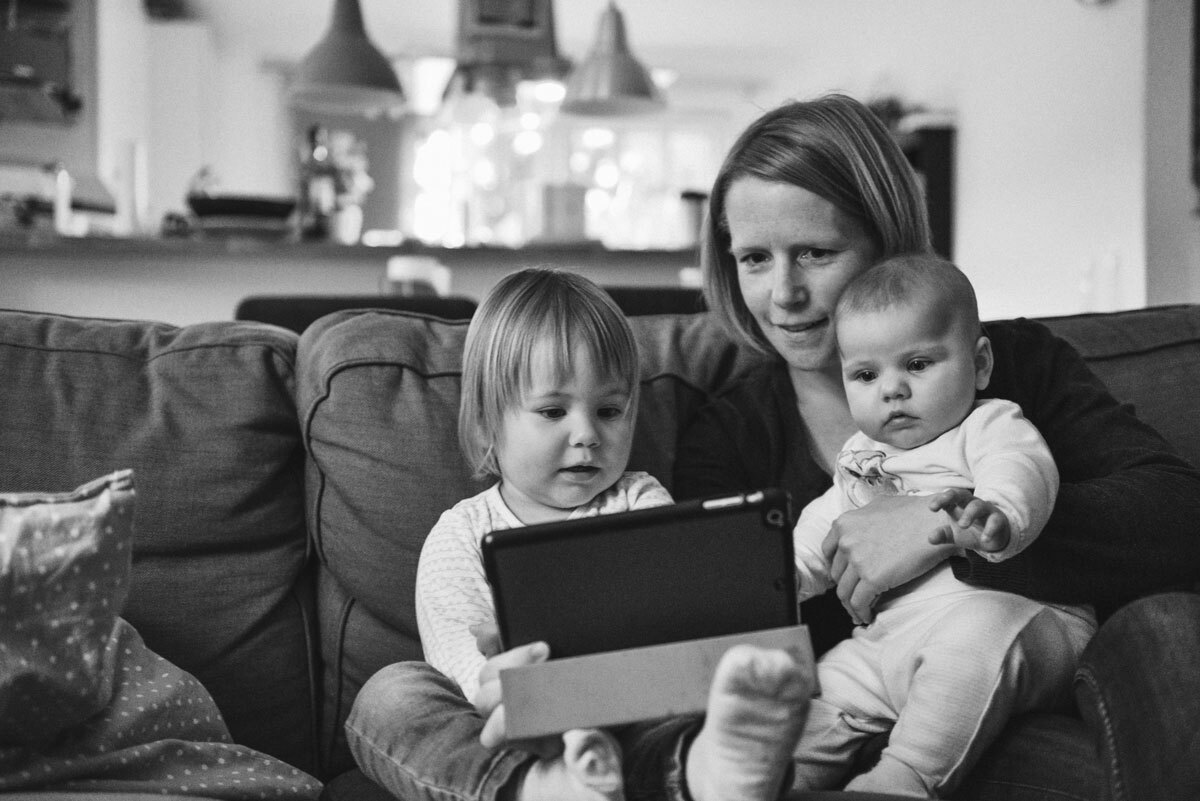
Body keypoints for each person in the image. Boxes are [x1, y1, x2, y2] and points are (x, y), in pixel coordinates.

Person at [655, 92, 1200, 796]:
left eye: (816, 253)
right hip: (853, 712)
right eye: (755, 258)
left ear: (887, 242)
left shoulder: (1013, 364)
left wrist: (941, 525)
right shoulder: (728, 434)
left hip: (1036, 685)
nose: (784, 292)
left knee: (1170, 624)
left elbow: (1178, 515)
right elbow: (718, 634)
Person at [345, 267, 815, 801]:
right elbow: (460, 666)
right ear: (485, 424)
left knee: (704, 691)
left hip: (632, 711)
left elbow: (672, 622)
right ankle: (545, 789)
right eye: (553, 411)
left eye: (609, 411)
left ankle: (704, 772)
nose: (588, 434)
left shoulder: (639, 500)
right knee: (391, 694)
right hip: (511, 731)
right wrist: (526, 697)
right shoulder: (460, 534)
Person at [785, 253, 1096, 796]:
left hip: (1019, 621)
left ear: (980, 364)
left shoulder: (988, 423)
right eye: (866, 375)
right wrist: (780, 577)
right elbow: (825, 527)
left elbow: (1021, 468)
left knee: (972, 641)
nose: (892, 390)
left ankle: (900, 781)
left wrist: (997, 514)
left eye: (918, 364)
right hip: (890, 639)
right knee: (823, 686)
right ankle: (776, 778)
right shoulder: (860, 456)